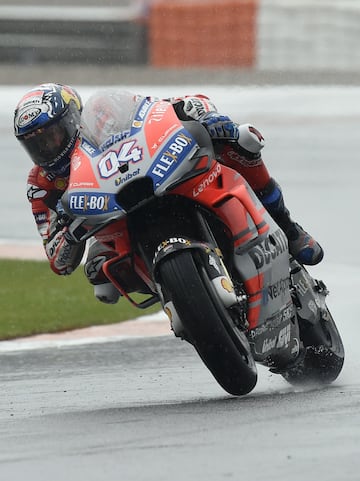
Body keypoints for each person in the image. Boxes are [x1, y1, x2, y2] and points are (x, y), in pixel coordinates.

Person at [14, 83, 323, 304]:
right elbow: (58, 260)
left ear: (72, 119)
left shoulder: (103, 116)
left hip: (156, 175)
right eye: (35, 144)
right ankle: (178, 300)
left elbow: (156, 109)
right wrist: (69, 233)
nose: (46, 149)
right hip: (112, 222)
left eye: (51, 136)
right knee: (100, 276)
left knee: (240, 140)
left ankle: (289, 227)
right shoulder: (42, 184)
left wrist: (192, 110)